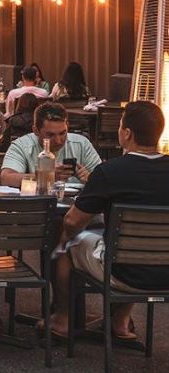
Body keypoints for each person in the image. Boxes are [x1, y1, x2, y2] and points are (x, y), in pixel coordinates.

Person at [45, 101, 169, 339]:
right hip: (165, 272)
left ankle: (62, 318)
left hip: (123, 274)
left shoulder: (110, 171)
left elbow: (72, 222)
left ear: (127, 133)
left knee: (66, 244)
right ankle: (120, 322)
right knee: (125, 246)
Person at [0, 102, 102, 188]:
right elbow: (6, 178)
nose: (58, 141)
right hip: (36, 206)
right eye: (50, 135)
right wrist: (45, 177)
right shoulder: (22, 145)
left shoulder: (81, 144)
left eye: (62, 133)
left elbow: (104, 180)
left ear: (68, 126)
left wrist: (90, 179)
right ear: (35, 130)